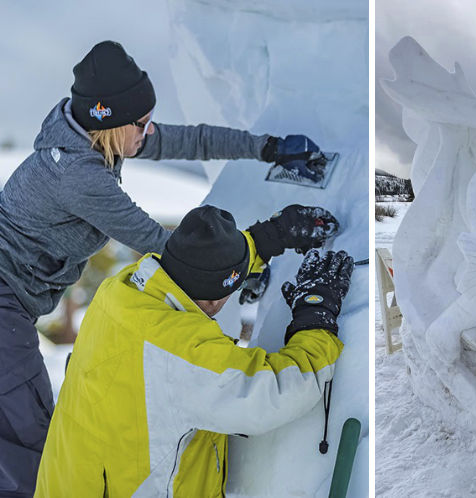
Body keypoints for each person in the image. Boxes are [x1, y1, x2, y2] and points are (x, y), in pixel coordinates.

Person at [0, 40, 335, 495]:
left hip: (15, 306)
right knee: (35, 442)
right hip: (3, 309)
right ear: (112, 120)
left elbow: (190, 138)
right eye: (143, 123)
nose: (150, 130)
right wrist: (253, 253)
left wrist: (268, 148)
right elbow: (168, 249)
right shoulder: (78, 178)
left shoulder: (95, 132)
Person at [35, 205, 353, 496]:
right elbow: (277, 391)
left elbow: (198, 265)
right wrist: (315, 312)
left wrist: (264, 240)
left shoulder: (120, 291)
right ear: (215, 300)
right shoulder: (183, 353)